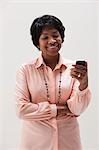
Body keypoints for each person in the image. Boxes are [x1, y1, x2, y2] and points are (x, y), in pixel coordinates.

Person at [15, 14, 91, 150]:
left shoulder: (73, 69)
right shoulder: (26, 70)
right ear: (37, 43)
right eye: (45, 37)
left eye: (55, 35)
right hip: (36, 144)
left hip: (68, 143)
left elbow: (77, 109)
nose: (52, 41)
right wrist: (56, 110)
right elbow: (21, 109)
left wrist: (83, 84)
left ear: (62, 37)